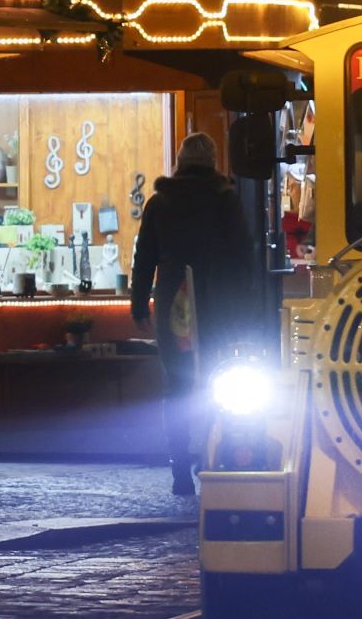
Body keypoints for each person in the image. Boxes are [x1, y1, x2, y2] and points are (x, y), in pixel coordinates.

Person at [131, 132, 253, 496]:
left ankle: (180, 468)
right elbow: (242, 257)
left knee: (178, 386)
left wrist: (138, 305)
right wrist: (245, 310)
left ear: (180, 161)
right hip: (218, 306)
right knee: (221, 382)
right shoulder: (225, 199)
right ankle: (215, 459)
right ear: (213, 161)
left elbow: (144, 259)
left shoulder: (159, 203)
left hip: (174, 307)